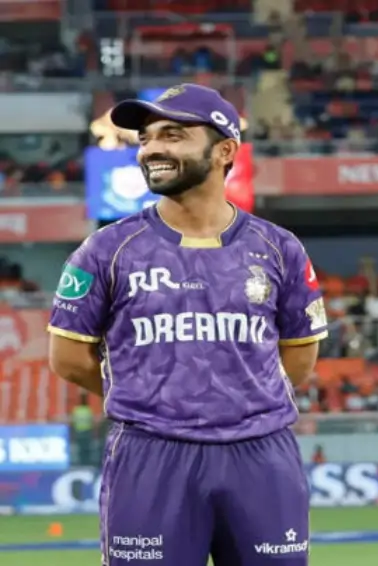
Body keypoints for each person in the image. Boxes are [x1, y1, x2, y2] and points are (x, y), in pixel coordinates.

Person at [47, 84, 328, 566]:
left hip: (260, 456)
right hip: (151, 455)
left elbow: (300, 357)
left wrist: (239, 403)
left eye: (173, 135)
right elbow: (68, 359)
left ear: (224, 151)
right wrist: (152, 401)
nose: (153, 148)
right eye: (146, 138)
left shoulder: (280, 248)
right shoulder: (105, 250)